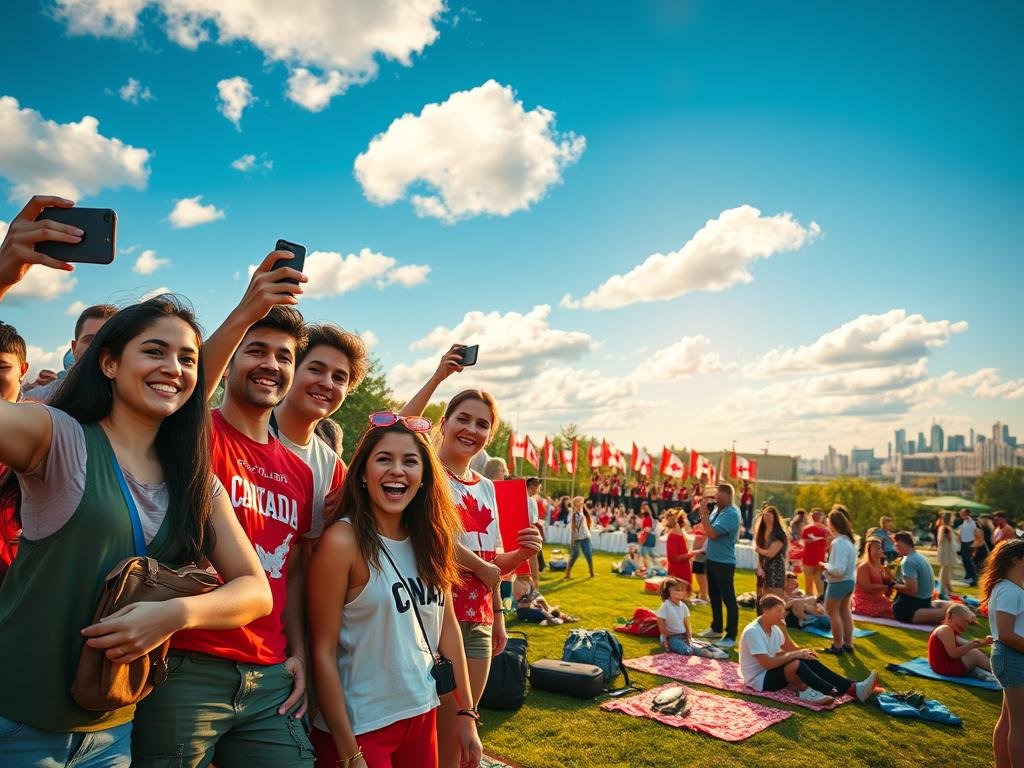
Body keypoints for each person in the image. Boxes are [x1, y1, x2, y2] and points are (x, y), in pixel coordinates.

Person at [132, 251, 320, 766]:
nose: (271, 364)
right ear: (231, 359)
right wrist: (244, 312)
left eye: (284, 357)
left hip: (271, 678)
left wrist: (297, 653)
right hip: (187, 662)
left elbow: (295, 577)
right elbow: (187, 398)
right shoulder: (196, 435)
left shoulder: (302, 471)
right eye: (255, 350)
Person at [306, 413, 482, 768]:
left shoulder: (430, 539)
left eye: (410, 461)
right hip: (360, 727)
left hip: (421, 713)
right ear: (362, 472)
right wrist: (348, 752)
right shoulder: (343, 541)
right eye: (384, 459)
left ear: (424, 477)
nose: (397, 471)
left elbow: (447, 629)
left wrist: (466, 714)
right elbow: (321, 652)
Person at [399, 361, 541, 768]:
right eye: (462, 418)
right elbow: (400, 426)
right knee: (434, 731)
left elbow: (494, 564)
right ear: (443, 422)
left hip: (477, 618)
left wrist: (517, 564)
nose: (471, 430)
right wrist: (440, 377)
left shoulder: (489, 489)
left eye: (482, 424)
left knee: (465, 724)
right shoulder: (422, 469)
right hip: (429, 613)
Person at [739, 595, 879, 707]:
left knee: (805, 658)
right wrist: (796, 654)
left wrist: (800, 649)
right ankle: (833, 689)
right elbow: (768, 663)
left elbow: (790, 648)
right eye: (778, 611)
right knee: (796, 663)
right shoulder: (753, 631)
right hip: (758, 680)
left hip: (770, 672)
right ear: (765, 611)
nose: (782, 616)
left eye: (783, 611)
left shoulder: (775, 628)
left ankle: (850, 686)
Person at [979, 538, 1024, 768]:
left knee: (1009, 720)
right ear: (1017, 560)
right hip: (1012, 656)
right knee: (1020, 724)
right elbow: (1006, 633)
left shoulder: (1011, 588)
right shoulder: (1008, 589)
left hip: (1012, 656)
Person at [22, 303, 119, 402]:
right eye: (90, 340)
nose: (98, 346)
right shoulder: (42, 399)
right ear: (74, 347)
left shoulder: (132, 397)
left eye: (109, 340)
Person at [697, 483, 741, 648]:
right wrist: (705, 516)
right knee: (714, 596)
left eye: (718, 495)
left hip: (724, 562)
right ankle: (716, 628)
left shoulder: (731, 513)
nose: (715, 498)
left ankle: (731, 635)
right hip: (713, 559)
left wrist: (703, 514)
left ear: (727, 495)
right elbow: (708, 529)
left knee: (728, 598)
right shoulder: (718, 510)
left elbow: (712, 533)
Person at [891, 531, 952, 625]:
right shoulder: (920, 556)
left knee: (952, 613)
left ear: (900, 544)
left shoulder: (908, 561)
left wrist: (892, 584)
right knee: (952, 610)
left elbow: (912, 590)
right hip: (925, 601)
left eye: (895, 545)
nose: (895, 548)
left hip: (912, 607)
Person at [821, 510, 858, 654]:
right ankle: (848, 644)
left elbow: (838, 569)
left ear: (832, 523)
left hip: (839, 582)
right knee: (845, 612)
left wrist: (825, 565)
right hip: (848, 582)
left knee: (832, 612)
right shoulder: (849, 541)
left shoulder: (839, 542)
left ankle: (837, 645)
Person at [927, 604, 996, 681]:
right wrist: (971, 646)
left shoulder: (950, 630)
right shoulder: (945, 630)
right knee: (974, 654)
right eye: (965, 621)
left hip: (944, 666)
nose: (966, 626)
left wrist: (985, 642)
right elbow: (953, 654)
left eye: (968, 623)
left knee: (973, 652)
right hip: (942, 668)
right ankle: (1000, 673)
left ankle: (994, 671)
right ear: (950, 617)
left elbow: (965, 643)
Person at [851, 537, 895, 620]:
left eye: (881, 548)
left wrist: (890, 579)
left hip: (879, 600)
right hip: (864, 602)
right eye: (878, 548)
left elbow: (889, 586)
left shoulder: (882, 567)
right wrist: (885, 587)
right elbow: (866, 586)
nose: (881, 550)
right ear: (869, 550)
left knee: (898, 609)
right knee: (894, 613)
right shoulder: (863, 566)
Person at [753, 505, 788, 601]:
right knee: (761, 596)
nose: (766, 518)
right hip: (763, 566)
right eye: (765, 515)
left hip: (775, 568)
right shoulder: (761, 531)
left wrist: (758, 549)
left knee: (776, 597)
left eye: (769, 516)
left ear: (775, 517)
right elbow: (760, 554)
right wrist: (760, 567)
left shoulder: (779, 534)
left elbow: (770, 553)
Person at [512, 575, 577, 625]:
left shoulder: (529, 580)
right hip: (523, 610)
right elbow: (523, 602)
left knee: (547, 608)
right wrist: (534, 602)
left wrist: (543, 604)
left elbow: (535, 594)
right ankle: (555, 617)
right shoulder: (517, 583)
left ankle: (558, 616)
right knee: (542, 613)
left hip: (531, 606)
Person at [656, 577, 695, 655]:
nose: (681, 592)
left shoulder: (684, 606)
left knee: (697, 649)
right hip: (671, 638)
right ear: (668, 591)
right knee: (687, 651)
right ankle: (687, 649)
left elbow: (687, 623)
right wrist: (665, 640)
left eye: (682, 590)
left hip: (683, 636)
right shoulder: (666, 606)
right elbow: (660, 623)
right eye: (677, 590)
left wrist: (689, 637)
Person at [564, 496, 595, 580]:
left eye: (579, 504)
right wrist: (572, 541)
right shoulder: (573, 515)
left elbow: (582, 503)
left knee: (588, 555)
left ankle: (592, 573)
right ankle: (567, 573)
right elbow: (573, 529)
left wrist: (581, 502)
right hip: (577, 538)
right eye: (576, 504)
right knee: (574, 556)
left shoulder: (583, 513)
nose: (578, 505)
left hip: (585, 537)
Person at [800, 509, 828, 596]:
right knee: (818, 582)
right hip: (818, 558)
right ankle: (819, 599)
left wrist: (811, 540)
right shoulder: (825, 530)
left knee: (809, 583)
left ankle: (812, 601)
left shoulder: (808, 528)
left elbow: (802, 541)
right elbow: (827, 545)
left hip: (810, 558)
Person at [664, 510, 693, 590]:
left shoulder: (679, 534)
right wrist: (691, 554)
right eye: (684, 519)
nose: (686, 521)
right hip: (677, 571)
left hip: (682, 568)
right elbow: (674, 557)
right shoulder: (673, 536)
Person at [936, 512, 958, 597]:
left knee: (946, 569)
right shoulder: (945, 528)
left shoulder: (943, 527)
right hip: (947, 551)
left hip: (946, 550)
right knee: (945, 569)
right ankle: (943, 588)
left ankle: (946, 587)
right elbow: (946, 540)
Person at [959, 508, 979, 587]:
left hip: (969, 543)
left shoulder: (972, 522)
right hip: (963, 543)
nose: (961, 516)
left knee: (968, 561)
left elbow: (975, 533)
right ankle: (968, 576)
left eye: (962, 514)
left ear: (966, 514)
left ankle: (973, 579)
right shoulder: (964, 522)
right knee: (964, 561)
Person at [638, 501, 656, 569]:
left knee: (645, 553)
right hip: (648, 536)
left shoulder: (649, 518)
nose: (643, 509)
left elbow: (648, 529)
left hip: (648, 537)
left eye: (645, 508)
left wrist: (643, 533)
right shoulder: (645, 518)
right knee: (646, 554)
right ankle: (647, 567)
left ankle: (650, 568)